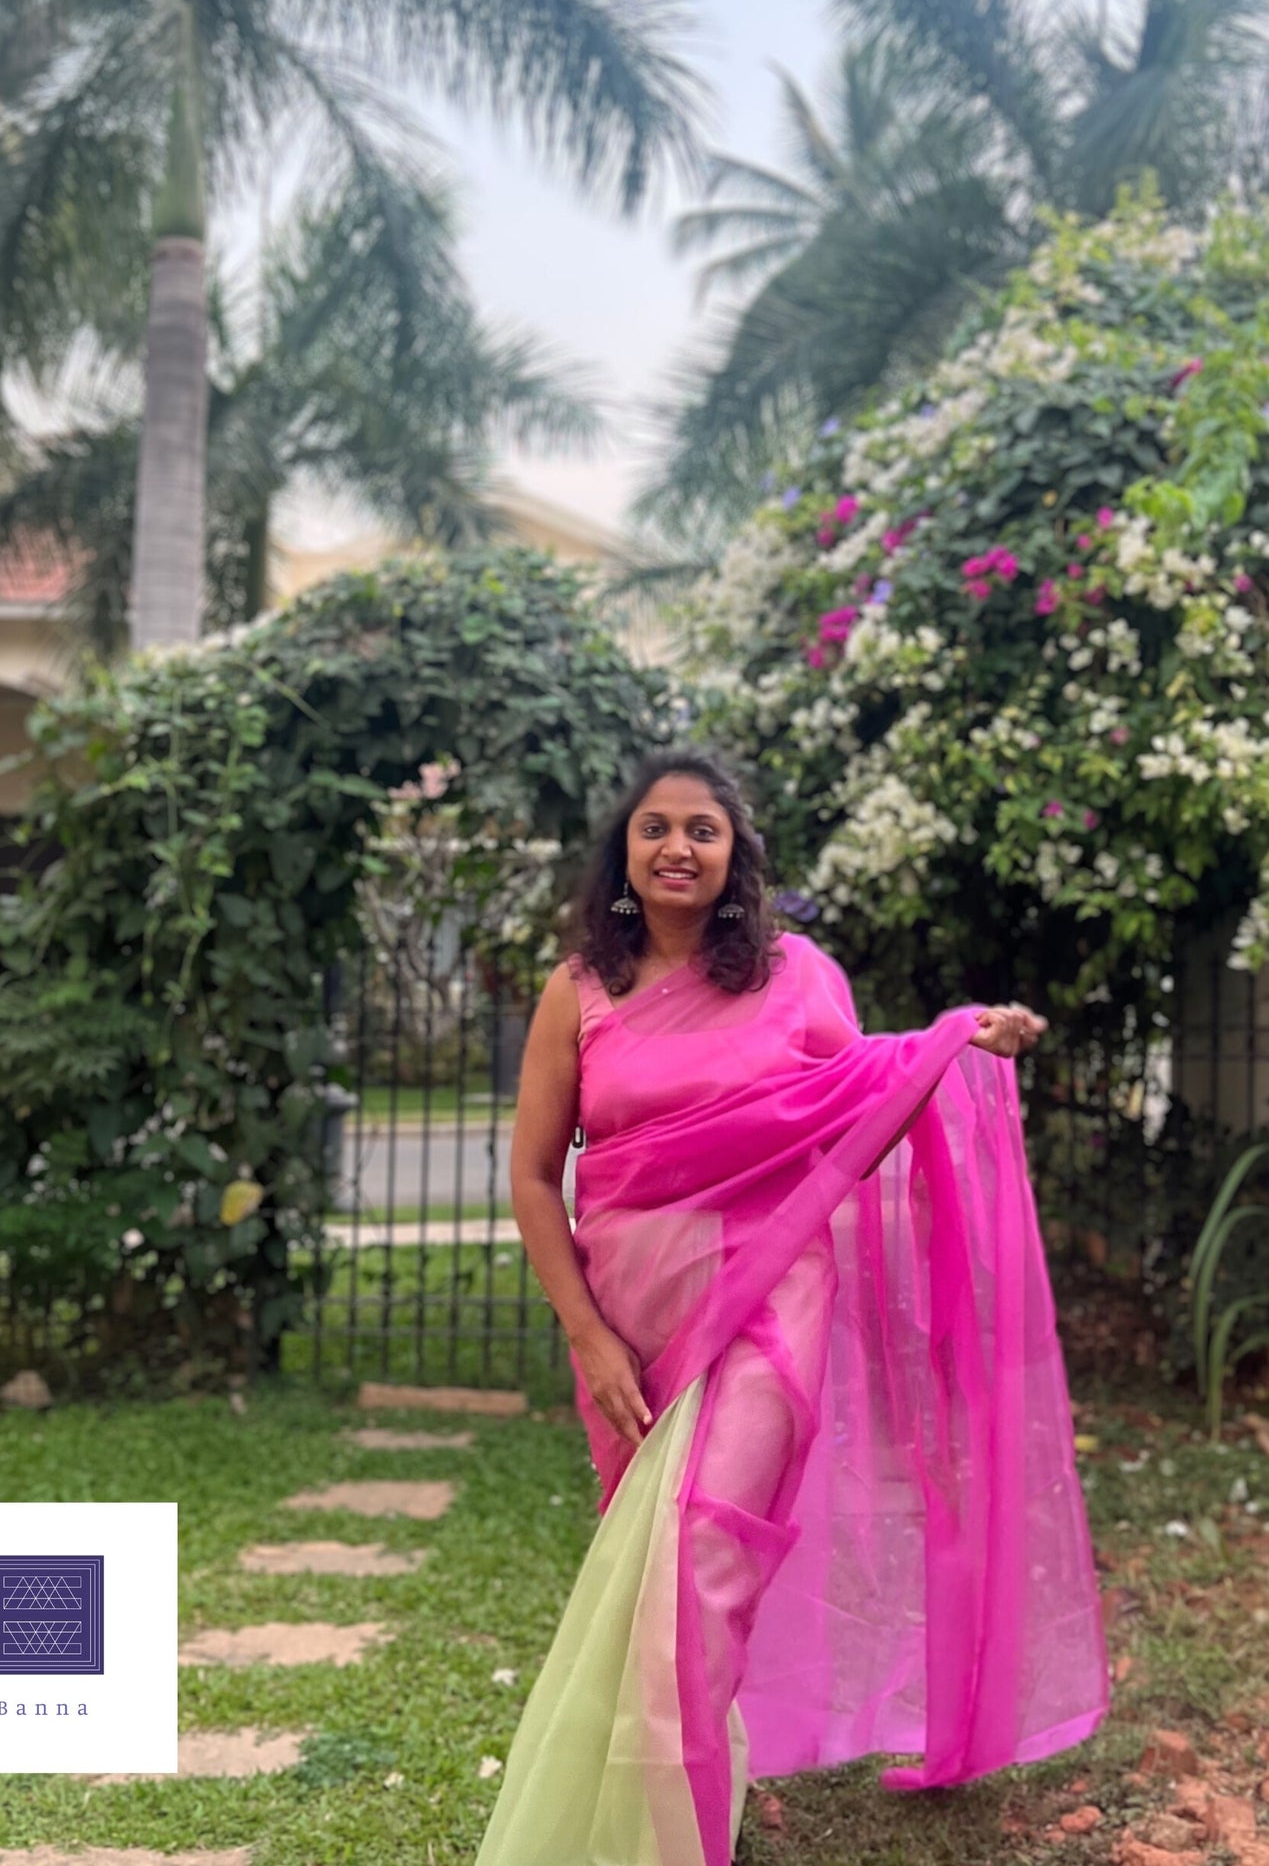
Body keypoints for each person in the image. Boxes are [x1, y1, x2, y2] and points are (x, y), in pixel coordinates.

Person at [475, 752, 1108, 1866]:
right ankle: (672, 1782)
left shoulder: (798, 974)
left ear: (735, 854)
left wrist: (958, 1036)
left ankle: (675, 1839)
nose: (677, 845)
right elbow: (534, 1174)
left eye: (702, 828)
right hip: (631, 1320)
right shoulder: (579, 988)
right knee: (654, 1574)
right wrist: (586, 1331)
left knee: (700, 1559)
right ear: (622, 852)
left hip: (769, 1296)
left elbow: (856, 1098)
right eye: (654, 827)